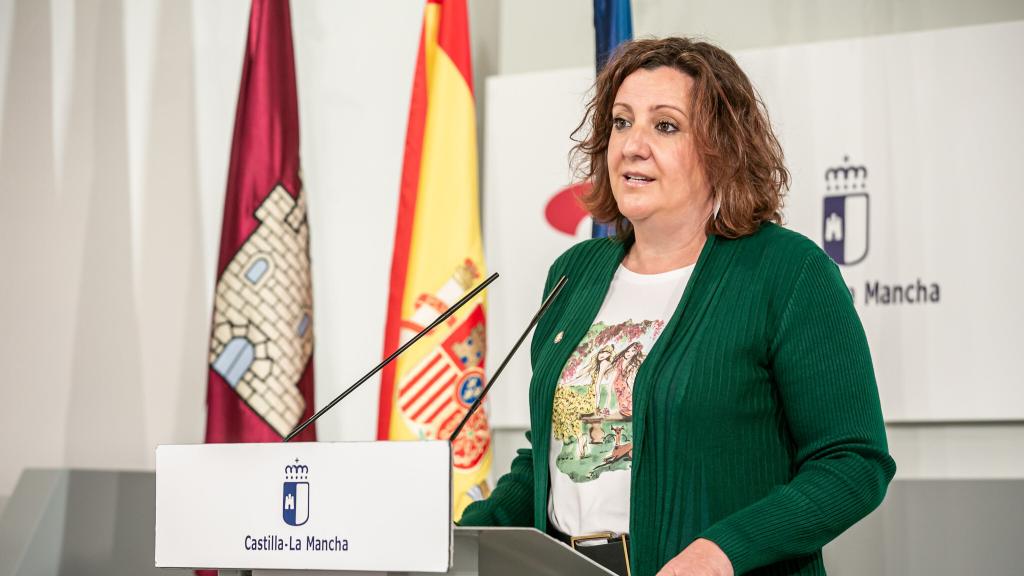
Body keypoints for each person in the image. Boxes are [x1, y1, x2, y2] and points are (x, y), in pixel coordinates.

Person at [459, 37, 895, 576]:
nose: (632, 145)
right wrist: (464, 533)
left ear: (722, 149)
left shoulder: (786, 272)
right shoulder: (575, 275)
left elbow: (853, 463)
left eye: (665, 126)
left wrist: (723, 552)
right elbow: (552, 453)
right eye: (621, 122)